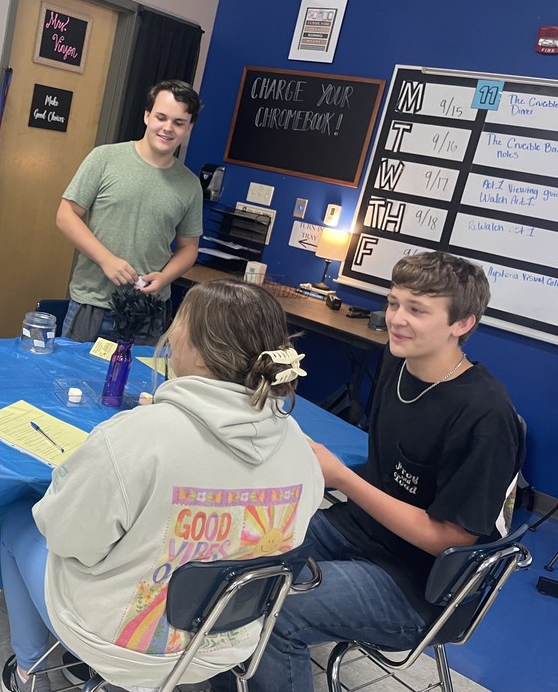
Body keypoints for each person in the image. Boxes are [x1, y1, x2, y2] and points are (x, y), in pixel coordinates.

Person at [0, 279, 325, 692]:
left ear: (197, 348)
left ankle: (29, 672)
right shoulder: (300, 445)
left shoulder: (135, 437)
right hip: (231, 641)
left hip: (121, 644)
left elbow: (66, 538)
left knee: (17, 523)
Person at [221, 251, 526, 692]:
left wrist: (342, 477)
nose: (396, 319)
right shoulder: (395, 362)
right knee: (235, 556)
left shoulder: (485, 416)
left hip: (419, 586)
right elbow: (385, 471)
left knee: (280, 614)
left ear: (462, 324)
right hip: (361, 531)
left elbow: (449, 540)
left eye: (417, 310)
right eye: (394, 303)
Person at [57, 80, 204, 345]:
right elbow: (66, 215)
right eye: (161, 117)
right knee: (71, 382)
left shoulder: (190, 184)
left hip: (149, 309)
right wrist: (106, 260)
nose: (168, 128)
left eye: (179, 122)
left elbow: (189, 248)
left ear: (189, 128)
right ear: (147, 116)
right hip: (94, 302)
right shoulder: (105, 158)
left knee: (139, 386)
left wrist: (165, 278)